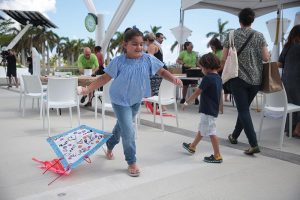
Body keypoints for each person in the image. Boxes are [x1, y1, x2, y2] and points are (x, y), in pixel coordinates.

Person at [78, 27, 183, 177]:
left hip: (135, 100)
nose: (139, 47)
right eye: (134, 44)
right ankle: (131, 161)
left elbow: (162, 71)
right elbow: (103, 79)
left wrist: (173, 79)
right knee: (128, 130)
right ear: (125, 45)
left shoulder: (148, 59)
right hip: (119, 100)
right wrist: (87, 90)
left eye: (141, 44)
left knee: (121, 127)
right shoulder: (118, 62)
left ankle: (109, 144)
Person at [222, 8, 269, 155]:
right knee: (244, 110)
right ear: (252, 20)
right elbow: (266, 57)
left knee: (243, 110)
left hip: (238, 78)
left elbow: (223, 58)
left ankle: (253, 144)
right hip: (256, 80)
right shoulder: (260, 35)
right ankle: (234, 136)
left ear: (239, 20)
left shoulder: (231, 35)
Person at [181, 53, 223, 163]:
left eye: (201, 67)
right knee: (203, 128)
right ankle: (192, 146)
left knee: (211, 131)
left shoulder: (207, 78)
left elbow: (197, 93)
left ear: (207, 67)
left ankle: (217, 155)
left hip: (208, 109)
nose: (201, 70)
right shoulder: (218, 77)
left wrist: (186, 102)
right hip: (211, 108)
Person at [278, 24, 300, 138]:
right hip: (297, 80)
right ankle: (297, 130)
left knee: (290, 104)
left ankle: (289, 129)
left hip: (286, 81)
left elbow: (280, 63)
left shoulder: (288, 46)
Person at [208, 38, 228, 114]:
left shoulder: (221, 52)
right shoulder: (214, 52)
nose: (211, 48)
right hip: (215, 73)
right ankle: (214, 106)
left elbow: (222, 65)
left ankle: (220, 108)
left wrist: (214, 72)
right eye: (210, 47)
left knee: (218, 91)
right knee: (215, 91)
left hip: (219, 73)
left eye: (212, 46)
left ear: (216, 45)